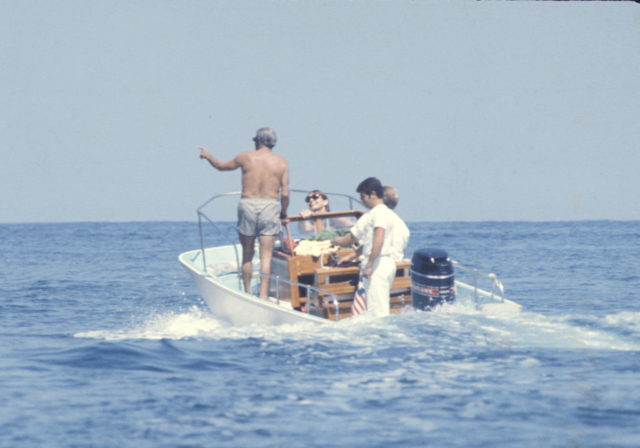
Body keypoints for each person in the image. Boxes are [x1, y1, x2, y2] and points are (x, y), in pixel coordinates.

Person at [199, 127, 289, 300]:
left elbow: (221, 167)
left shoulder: (245, 157)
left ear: (259, 141)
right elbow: (285, 193)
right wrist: (283, 212)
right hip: (270, 205)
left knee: (247, 252)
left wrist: (208, 156)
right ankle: (263, 297)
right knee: (266, 256)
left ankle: (247, 294)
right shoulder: (282, 162)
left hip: (247, 204)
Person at [331, 177, 408, 317]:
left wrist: (335, 240)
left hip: (377, 265)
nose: (361, 201)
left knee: (377, 313)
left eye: (363, 197)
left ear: (373, 195)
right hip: (387, 264)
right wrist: (350, 256)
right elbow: (371, 242)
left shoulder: (377, 214)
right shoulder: (387, 213)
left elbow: (377, 237)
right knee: (376, 307)